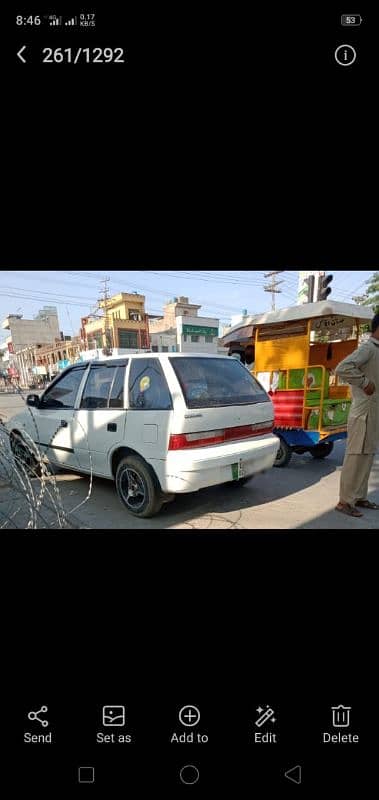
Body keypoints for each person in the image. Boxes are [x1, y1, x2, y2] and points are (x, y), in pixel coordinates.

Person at [334, 313, 379, 517]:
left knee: (367, 456)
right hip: (363, 412)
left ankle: (359, 497)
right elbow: (342, 368)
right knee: (355, 456)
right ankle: (345, 502)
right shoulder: (368, 348)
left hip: (373, 412)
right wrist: (364, 383)